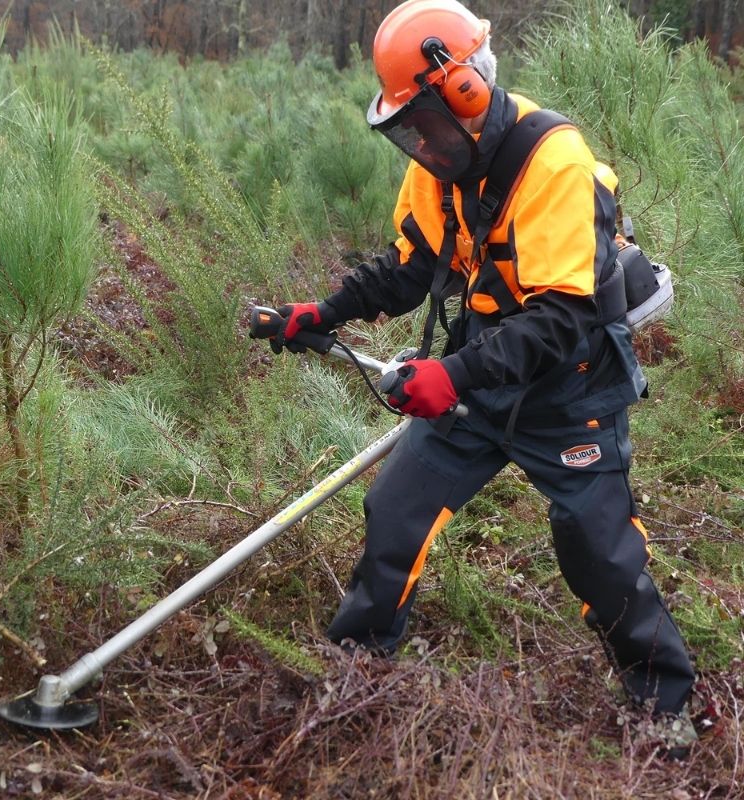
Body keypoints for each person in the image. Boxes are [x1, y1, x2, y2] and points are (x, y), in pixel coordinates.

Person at [264, 0, 700, 756]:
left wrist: (451, 375)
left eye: (423, 123)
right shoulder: (440, 166)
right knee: (396, 508)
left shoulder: (553, 161)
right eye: (406, 129)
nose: (418, 144)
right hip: (484, 372)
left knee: (599, 553)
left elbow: (563, 318)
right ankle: (357, 671)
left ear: (464, 92)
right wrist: (323, 312)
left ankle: (664, 707)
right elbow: (408, 269)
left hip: (572, 386)